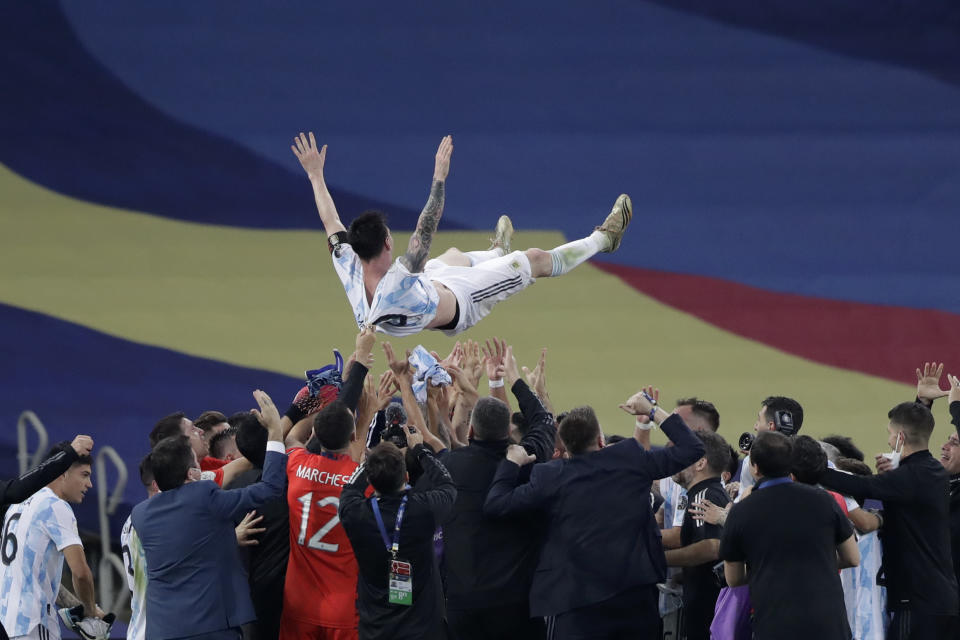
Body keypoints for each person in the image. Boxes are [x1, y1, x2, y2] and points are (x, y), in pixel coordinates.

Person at [291, 131, 632, 336]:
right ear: (386, 244)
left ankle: (496, 253)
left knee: (453, 255)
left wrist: (315, 176)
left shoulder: (350, 265)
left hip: (430, 285)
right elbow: (426, 227)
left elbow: (331, 223)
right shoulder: (395, 284)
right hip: (463, 303)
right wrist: (439, 177)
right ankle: (604, 238)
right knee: (534, 259)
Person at [483, 388, 704, 639]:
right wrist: (652, 411)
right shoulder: (630, 460)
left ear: (565, 448)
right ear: (601, 441)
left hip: (576, 605)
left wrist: (511, 463)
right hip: (635, 600)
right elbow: (692, 448)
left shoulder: (551, 476)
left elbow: (496, 505)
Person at [132, 390, 288, 640]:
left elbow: (190, 543)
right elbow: (270, 488)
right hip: (210, 627)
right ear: (192, 474)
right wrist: (275, 432)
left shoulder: (140, 514)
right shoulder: (205, 497)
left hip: (161, 630)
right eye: (195, 463)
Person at [439, 345, 557, 640]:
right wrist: (514, 380)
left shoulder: (448, 467)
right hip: (517, 607)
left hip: (462, 608)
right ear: (509, 431)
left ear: (471, 432)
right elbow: (544, 423)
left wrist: (433, 392)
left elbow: (428, 443)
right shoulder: (528, 462)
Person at [819, 401, 960, 639]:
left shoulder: (908, 478)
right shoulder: (935, 472)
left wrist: (811, 469)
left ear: (900, 437)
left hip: (916, 602)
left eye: (890, 434)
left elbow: (860, 485)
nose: (888, 440)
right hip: (943, 600)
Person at [720, 431, 859, 640]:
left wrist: (770, 566)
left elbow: (733, 578)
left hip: (775, 624)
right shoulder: (824, 500)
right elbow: (852, 557)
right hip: (828, 624)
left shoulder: (741, 512)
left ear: (755, 467)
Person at [339, 410, 456, 640]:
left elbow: (350, 488)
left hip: (375, 630)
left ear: (371, 480)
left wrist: (375, 454)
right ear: (406, 476)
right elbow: (447, 485)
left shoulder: (354, 513)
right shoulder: (423, 510)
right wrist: (420, 449)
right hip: (423, 630)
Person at [0, 442, 103, 640]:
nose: (89, 484)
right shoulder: (55, 506)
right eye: (84, 475)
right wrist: (91, 611)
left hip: (7, 623)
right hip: (33, 623)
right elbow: (81, 573)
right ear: (63, 473)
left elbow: (28, 570)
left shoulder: (17, 505)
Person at [663, 430, 731, 640]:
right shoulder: (707, 493)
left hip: (707, 613)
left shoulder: (704, 496)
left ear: (701, 464)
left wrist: (659, 558)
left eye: (684, 455)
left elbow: (711, 547)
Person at [120, 456, 159, 640]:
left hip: (138, 628)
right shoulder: (156, 518)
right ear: (158, 484)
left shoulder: (131, 519)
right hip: (155, 628)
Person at [737, 395, 804, 498]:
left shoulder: (752, 462)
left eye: (759, 420)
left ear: (771, 426)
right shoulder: (812, 459)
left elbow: (741, 507)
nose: (755, 427)